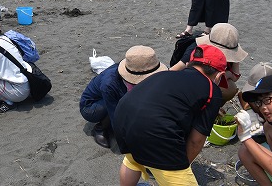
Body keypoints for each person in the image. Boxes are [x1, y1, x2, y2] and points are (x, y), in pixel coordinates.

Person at [114, 45, 226, 186]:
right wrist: (180, 166)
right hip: (154, 130)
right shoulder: (212, 89)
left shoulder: (167, 73)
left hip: (122, 117)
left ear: (189, 63)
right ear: (219, 75)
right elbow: (196, 141)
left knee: (132, 160)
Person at [80, 46, 166, 148]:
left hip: (118, 96)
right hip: (92, 106)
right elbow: (115, 114)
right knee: (120, 106)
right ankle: (100, 128)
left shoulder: (135, 67)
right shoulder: (109, 83)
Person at [170, 23, 247, 104]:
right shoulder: (197, 49)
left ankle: (214, 105)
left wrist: (226, 74)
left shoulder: (231, 46)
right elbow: (174, 70)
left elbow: (235, 76)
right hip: (191, 82)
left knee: (231, 88)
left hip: (213, 80)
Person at [236, 75, 272, 185]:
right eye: (259, 102)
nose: (262, 107)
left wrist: (246, 137)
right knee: (245, 151)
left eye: (267, 100)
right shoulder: (269, 127)